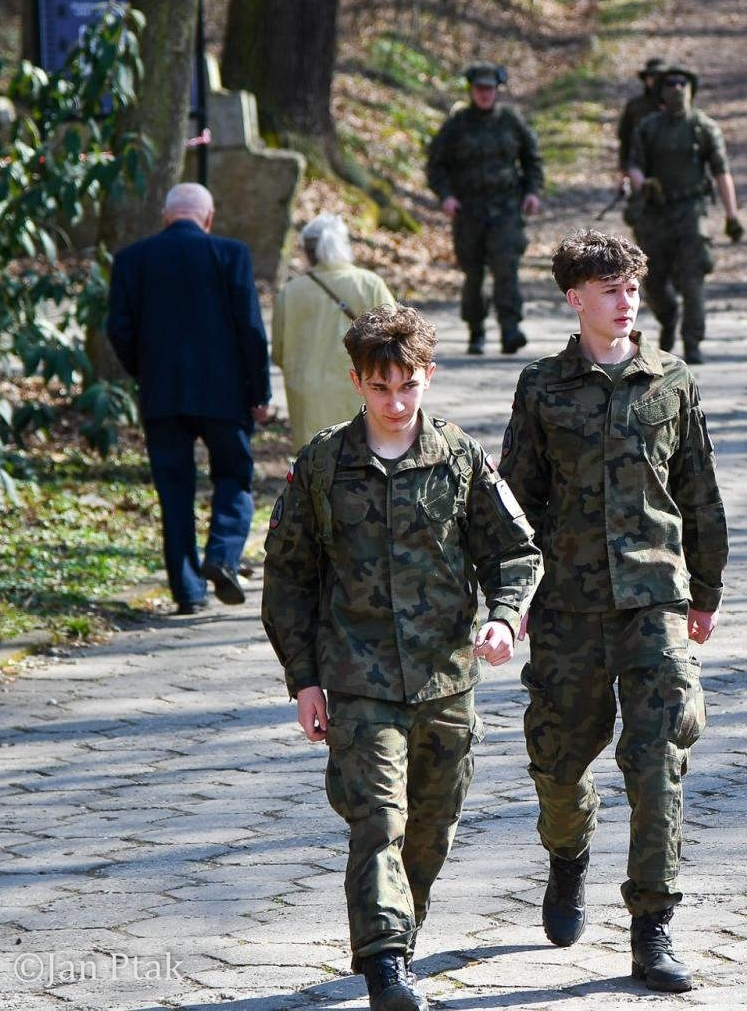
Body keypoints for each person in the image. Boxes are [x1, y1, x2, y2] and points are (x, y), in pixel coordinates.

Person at [261, 305, 541, 1011]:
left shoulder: (459, 457)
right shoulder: (323, 464)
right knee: (378, 819)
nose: (396, 403)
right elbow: (288, 578)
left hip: (446, 679)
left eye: (408, 386)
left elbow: (515, 551)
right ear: (357, 382)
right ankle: (384, 964)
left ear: (427, 378)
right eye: (381, 388)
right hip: (357, 680)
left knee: (431, 826)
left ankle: (399, 930)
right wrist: (305, 681)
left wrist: (505, 620)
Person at [499, 229, 727, 994]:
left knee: (659, 753)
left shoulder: (671, 382)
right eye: (610, 291)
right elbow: (516, 503)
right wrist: (512, 597)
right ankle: (568, 855)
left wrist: (707, 591)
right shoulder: (542, 387)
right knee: (558, 763)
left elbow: (699, 491)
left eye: (633, 289)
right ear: (576, 298)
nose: (627, 304)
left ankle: (651, 926)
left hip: (655, 599)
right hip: (567, 604)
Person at [106, 182, 272, 614]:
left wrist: (146, 371)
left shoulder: (130, 259)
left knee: (174, 491)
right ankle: (221, 555)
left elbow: (119, 330)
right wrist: (260, 391)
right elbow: (251, 329)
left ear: (165, 216)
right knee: (234, 477)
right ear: (209, 217)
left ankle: (187, 591)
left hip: (161, 394)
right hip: (226, 393)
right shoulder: (231, 254)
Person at [626, 64, 743, 364]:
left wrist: (732, 215)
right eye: (670, 84)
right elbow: (634, 165)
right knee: (652, 278)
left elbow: (721, 171)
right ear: (660, 93)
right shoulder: (649, 127)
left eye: (683, 83)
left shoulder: (704, 127)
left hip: (691, 212)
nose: (677, 88)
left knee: (693, 279)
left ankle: (692, 342)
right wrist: (643, 183)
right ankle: (667, 319)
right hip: (655, 212)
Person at [426, 61, 544, 356]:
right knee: (474, 274)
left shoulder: (510, 120)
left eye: (490, 89)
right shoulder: (457, 124)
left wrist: (532, 192)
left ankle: (510, 329)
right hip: (469, 212)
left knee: (507, 269)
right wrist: (446, 197)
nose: (485, 94)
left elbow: (532, 158)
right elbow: (436, 165)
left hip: (506, 209)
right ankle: (476, 331)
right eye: (479, 89)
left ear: (497, 90)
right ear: (471, 90)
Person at [272, 213, 397, 445]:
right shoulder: (370, 284)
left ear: (308, 252)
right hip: (363, 388)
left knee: (315, 465)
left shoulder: (291, 292)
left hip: (307, 394)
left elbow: (278, 351)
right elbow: (396, 339)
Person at [617, 57, 668, 183]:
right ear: (646, 79)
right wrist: (624, 174)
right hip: (641, 168)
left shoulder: (678, 107)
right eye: (651, 75)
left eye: (660, 76)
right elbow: (625, 139)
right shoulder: (635, 106)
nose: (655, 79)